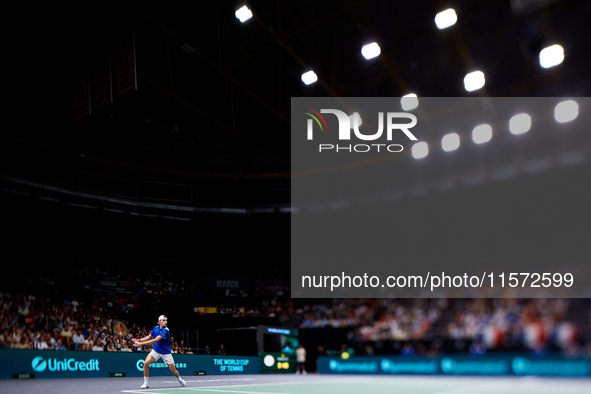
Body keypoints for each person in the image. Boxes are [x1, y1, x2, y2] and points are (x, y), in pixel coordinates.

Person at [132, 315, 186, 389]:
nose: (165, 322)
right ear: (159, 321)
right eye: (163, 320)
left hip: (166, 353)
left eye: (166, 320)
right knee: (145, 363)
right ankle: (146, 383)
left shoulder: (166, 331)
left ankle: (179, 378)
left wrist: (140, 344)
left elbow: (155, 340)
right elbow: (149, 337)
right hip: (156, 351)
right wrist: (138, 340)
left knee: (174, 371)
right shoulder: (155, 328)